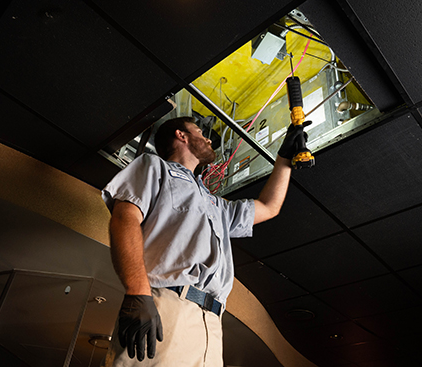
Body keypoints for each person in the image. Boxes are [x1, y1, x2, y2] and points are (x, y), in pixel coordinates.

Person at [102, 116, 308, 366]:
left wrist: (284, 158)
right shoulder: (153, 166)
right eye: (200, 131)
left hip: (212, 323)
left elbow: (268, 207)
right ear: (182, 135)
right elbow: (124, 219)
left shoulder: (216, 204)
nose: (209, 138)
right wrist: (138, 293)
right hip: (165, 307)